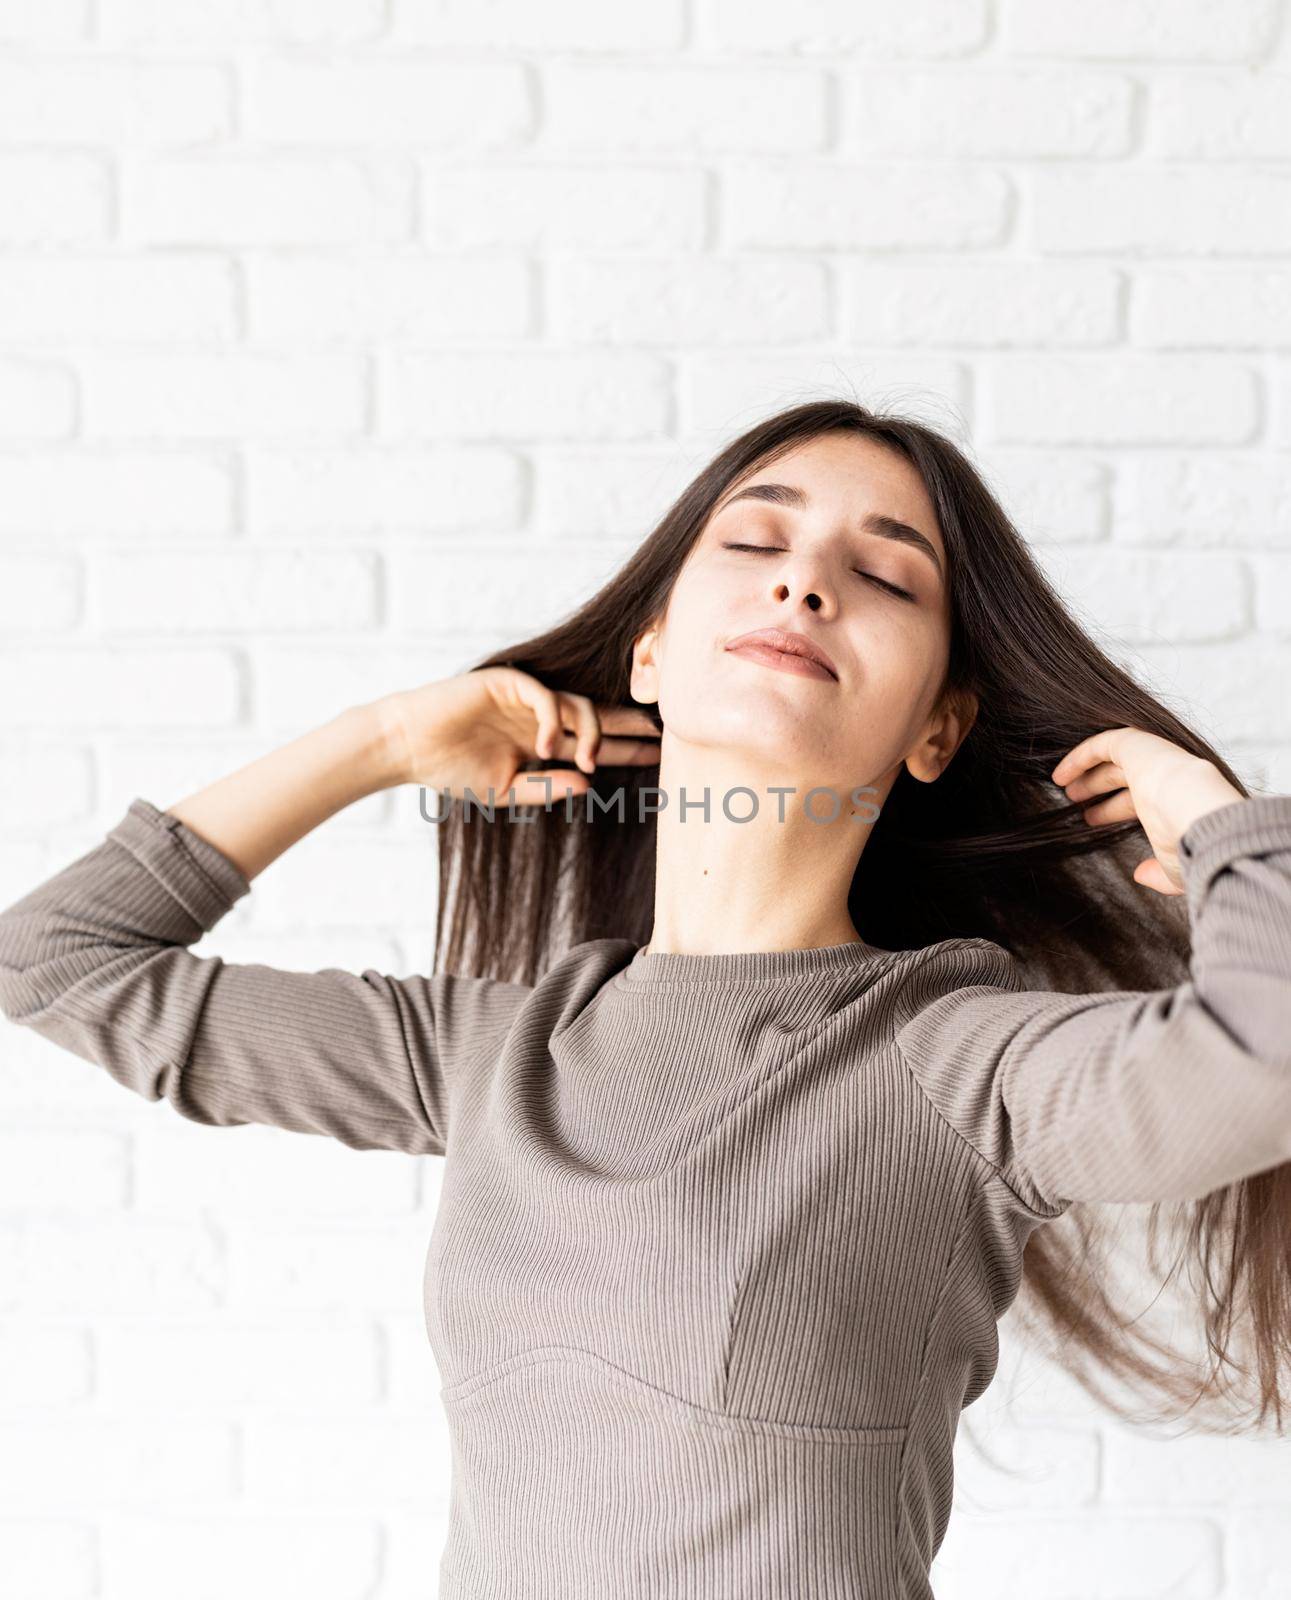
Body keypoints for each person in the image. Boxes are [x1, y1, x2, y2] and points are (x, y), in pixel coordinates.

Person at [1, 398, 1289, 1599]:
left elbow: (1267, 1062)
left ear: (937, 731)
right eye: (756, 540)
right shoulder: (498, 1055)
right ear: (654, 652)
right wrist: (386, 742)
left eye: (886, 573)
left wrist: (1228, 832)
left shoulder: (953, 1064)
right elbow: (57, 961)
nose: (804, 581)